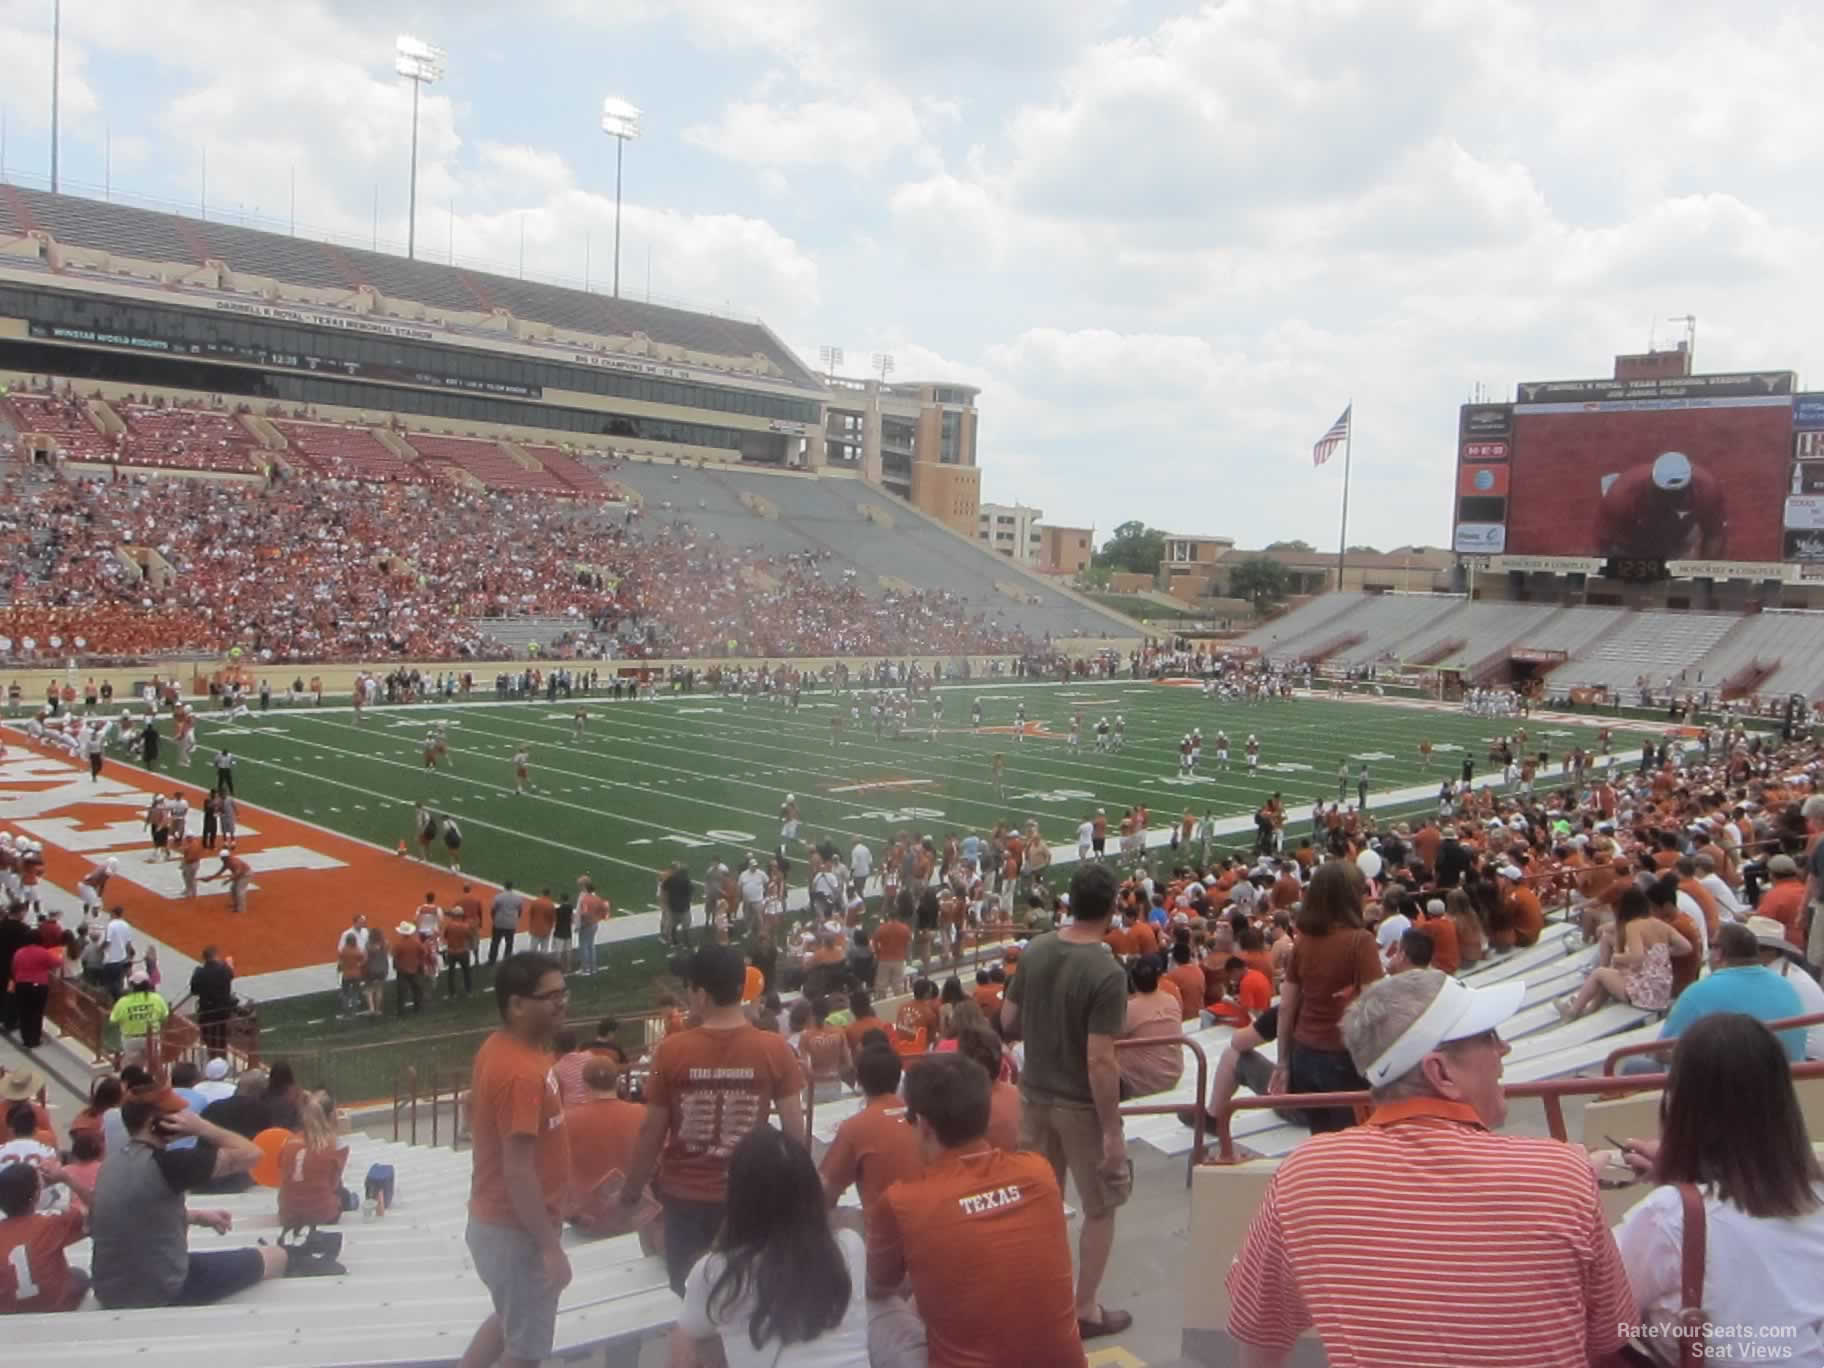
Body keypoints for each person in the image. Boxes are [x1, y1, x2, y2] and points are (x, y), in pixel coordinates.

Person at [1227, 970, 1633, 1366]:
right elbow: (1610, 1335)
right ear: (1441, 1072)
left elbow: (1258, 1328)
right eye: (1488, 1037)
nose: (1503, 1049)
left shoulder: (1304, 1176)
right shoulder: (1564, 1173)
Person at [1614, 1014, 1824, 1362]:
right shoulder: (1815, 1196)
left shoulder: (1668, 1215)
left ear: (1683, 1106)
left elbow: (1606, 1308)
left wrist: (1576, 1188)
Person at [867, 1052, 1084, 1365]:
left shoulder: (902, 1202)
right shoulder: (1039, 1172)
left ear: (924, 1126)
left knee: (875, 1304)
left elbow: (879, 1285)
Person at [618, 944, 805, 1297]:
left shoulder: (672, 1050)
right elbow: (796, 1133)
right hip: (751, 1195)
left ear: (700, 994)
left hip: (687, 1199)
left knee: (694, 1297)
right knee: (747, 1295)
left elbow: (651, 1132)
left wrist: (630, 1192)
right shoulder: (774, 1048)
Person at [1001, 862, 1131, 1339]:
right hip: (1077, 1103)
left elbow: (1007, 1018)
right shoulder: (1106, 970)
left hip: (1034, 1095)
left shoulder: (1036, 950)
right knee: (1100, 1205)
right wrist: (1113, 1130)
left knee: (1038, 1203)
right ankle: (1084, 1308)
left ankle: (1034, 1299)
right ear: (1112, 907)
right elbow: (1100, 1060)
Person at [460, 952, 572, 1368]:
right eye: (550, 996)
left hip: (503, 1224)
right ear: (516, 1004)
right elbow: (518, 1169)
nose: (562, 1002)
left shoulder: (502, 1048)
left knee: (509, 1321)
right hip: (516, 1231)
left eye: (564, 992)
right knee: (525, 1353)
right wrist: (549, 1249)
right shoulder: (520, 1072)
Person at [681, 1127, 874, 1368]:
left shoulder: (715, 1271)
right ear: (811, 1190)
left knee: (692, 1341)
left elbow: (689, 1336)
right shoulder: (850, 1247)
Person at [90, 1091, 300, 1307]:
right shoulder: (169, 1164)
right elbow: (253, 1155)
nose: (184, 1117)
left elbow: (127, 1211)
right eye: (175, 1115)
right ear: (156, 1123)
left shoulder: (111, 1164)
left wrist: (194, 1216)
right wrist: (201, 1127)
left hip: (110, 1291)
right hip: (163, 1289)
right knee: (275, 1256)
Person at [1272, 861, 1383, 1131]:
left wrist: (1283, 1062)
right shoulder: (1361, 941)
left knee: (1322, 1142)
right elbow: (1377, 1006)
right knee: (1353, 1147)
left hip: (1305, 1056)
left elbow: (1287, 1007)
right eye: (1360, 891)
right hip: (1343, 1057)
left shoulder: (1303, 942)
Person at [1654, 922, 1804, 1061]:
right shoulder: (1786, 986)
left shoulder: (1700, 992)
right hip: (1791, 1082)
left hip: (1733, 1087)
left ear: (1719, 953)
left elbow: (1661, 1050)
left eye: (1711, 945)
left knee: (1637, 1065)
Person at [820, 1044, 924, 1229]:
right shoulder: (925, 1119)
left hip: (885, 1234)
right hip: (929, 1222)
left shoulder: (856, 1127)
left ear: (860, 1080)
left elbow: (825, 1190)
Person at [1561, 886, 1690, 1020]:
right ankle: (1589, 1009)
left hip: (1645, 996)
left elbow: (1637, 957)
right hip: (1662, 993)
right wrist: (1660, 953)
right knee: (1611, 975)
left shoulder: (1633, 925)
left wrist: (1617, 957)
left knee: (1599, 973)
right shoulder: (1661, 924)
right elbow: (1686, 947)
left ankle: (1572, 1012)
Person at [563, 1057, 652, 1237]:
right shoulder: (642, 1114)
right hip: (635, 1215)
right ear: (617, 1081)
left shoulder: (566, 1120)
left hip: (587, 1220)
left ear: (584, 1084)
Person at [0, 1158, 91, 1313]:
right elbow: (98, 1210)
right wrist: (66, 1179)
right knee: (79, 1275)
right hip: (54, 1306)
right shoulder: (52, 1224)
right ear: (36, 1195)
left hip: (8, 1310)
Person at [276, 1092, 349, 1229]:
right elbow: (333, 1184)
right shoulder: (337, 1145)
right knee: (344, 1195)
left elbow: (282, 1175)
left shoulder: (287, 1141)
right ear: (332, 1115)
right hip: (322, 1215)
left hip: (287, 1216)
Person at [1118, 956, 1184, 1099]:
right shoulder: (1171, 1000)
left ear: (1132, 981)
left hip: (1142, 1083)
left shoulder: (1130, 1009)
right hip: (1172, 1075)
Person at [109, 970, 169, 1067]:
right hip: (153, 1037)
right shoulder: (157, 999)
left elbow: (113, 1021)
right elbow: (165, 1018)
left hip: (131, 1040)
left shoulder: (123, 1002)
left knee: (133, 1069)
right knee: (155, 1067)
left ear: (131, 986)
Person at [486, 881, 526, 965]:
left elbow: (493, 909)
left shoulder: (498, 897)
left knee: (495, 942)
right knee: (509, 943)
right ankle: (507, 961)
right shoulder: (518, 898)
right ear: (512, 887)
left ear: (504, 887)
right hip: (511, 924)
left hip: (499, 923)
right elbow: (520, 910)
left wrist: (494, 918)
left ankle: (492, 960)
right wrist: (515, 919)